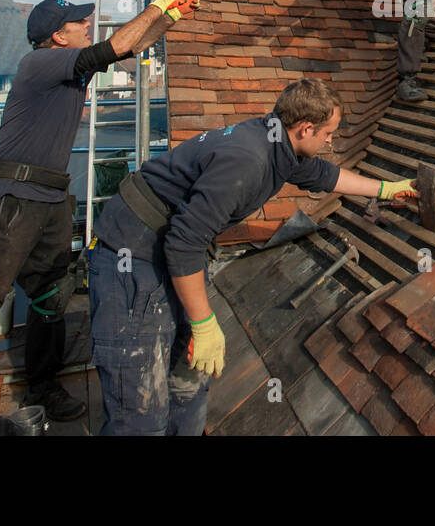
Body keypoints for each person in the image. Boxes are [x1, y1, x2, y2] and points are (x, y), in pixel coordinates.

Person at [0, 0, 201, 423]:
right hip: (13, 199)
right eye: (80, 23)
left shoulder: (68, 66)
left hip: (50, 199)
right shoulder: (41, 63)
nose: (87, 27)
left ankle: (44, 386)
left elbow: (130, 47)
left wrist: (168, 18)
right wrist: (156, 4)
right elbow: (116, 45)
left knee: (49, 298)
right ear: (59, 36)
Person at [88, 77, 417, 436]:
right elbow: (184, 242)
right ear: (305, 128)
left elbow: (324, 175)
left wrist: (388, 189)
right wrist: (202, 321)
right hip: (134, 258)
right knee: (139, 412)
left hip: (168, 252)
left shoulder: (277, 141)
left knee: (189, 384)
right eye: (327, 133)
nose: (330, 141)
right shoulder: (249, 159)